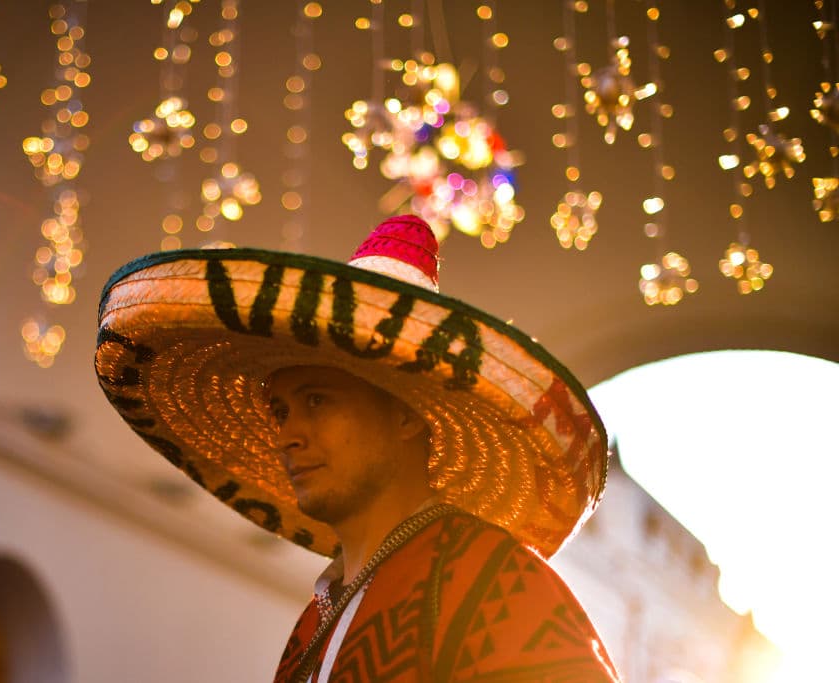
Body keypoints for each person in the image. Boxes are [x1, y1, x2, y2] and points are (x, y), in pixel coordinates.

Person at [96, 215, 620, 682]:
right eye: (281, 411)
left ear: (407, 414)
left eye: (318, 400)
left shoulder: (494, 582)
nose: (288, 435)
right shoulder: (315, 619)